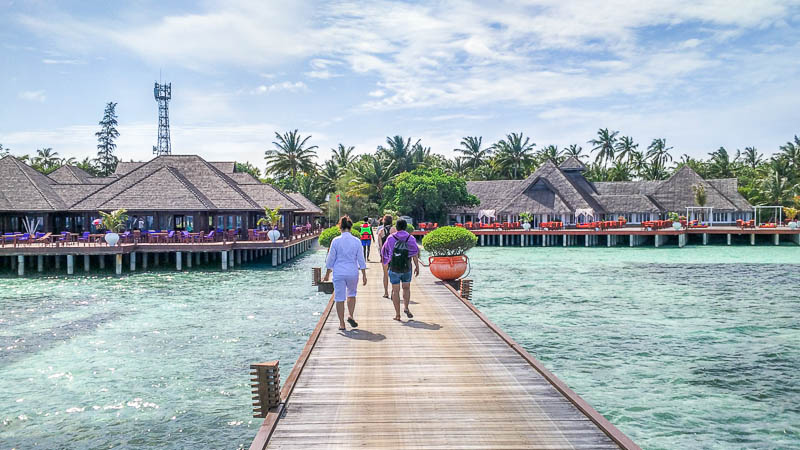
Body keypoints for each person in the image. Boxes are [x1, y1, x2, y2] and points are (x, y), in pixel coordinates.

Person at [323, 216, 367, 331]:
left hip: (339, 272)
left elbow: (330, 259)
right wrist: (364, 274)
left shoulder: (336, 241)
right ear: (351, 227)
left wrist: (327, 273)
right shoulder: (356, 241)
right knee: (351, 294)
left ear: (340, 227)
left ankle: (342, 323)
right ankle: (351, 315)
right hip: (352, 271)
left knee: (339, 298)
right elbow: (361, 259)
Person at [381, 219, 420, 321]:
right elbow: (415, 252)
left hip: (394, 267)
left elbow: (384, 251)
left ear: (396, 227)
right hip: (406, 267)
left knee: (395, 290)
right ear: (406, 227)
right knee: (406, 288)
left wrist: (386, 262)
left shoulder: (390, 238)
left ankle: (397, 315)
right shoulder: (410, 238)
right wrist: (417, 266)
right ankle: (406, 307)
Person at [376, 215, 396, 298]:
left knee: (385, 274)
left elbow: (380, 246)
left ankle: (386, 292)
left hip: (385, 254)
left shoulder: (381, 231)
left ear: (383, 221)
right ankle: (393, 291)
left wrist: (381, 255)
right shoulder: (394, 230)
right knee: (394, 273)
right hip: (394, 255)